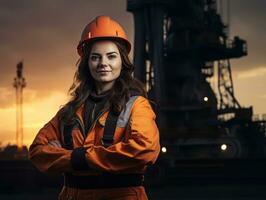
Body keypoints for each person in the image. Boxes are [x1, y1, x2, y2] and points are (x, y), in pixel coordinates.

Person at [29, 15, 160, 200]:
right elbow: (37, 151)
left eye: (111, 56)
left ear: (122, 61)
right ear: (86, 63)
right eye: (95, 57)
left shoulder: (137, 106)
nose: (103, 64)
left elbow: (143, 150)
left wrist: (74, 158)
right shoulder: (69, 112)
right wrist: (108, 156)